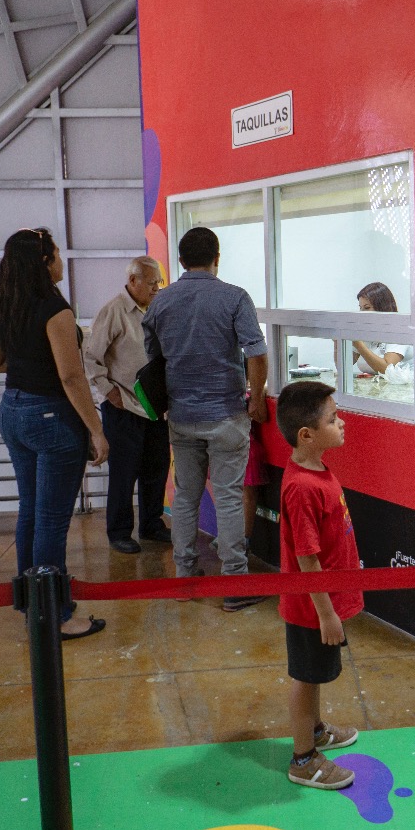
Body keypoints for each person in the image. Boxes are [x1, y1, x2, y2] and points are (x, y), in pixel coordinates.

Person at [0, 228, 109, 641]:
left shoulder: (0, 305)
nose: (61, 262)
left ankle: (31, 605)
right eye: (56, 254)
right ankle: (56, 615)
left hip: (14, 411)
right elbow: (72, 377)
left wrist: (28, 359)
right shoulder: (56, 309)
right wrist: (96, 429)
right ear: (44, 261)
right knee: (52, 522)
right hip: (52, 415)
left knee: (30, 512)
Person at [142, 226, 268, 612]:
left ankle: (185, 576)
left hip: (181, 415)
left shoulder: (160, 303)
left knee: (185, 496)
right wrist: (257, 398)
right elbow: (256, 354)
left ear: (180, 261)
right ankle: (235, 583)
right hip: (227, 413)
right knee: (229, 497)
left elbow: (154, 359)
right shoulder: (234, 297)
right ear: (218, 257)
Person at [276, 381, 363, 790]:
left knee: (314, 674)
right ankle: (303, 758)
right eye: (333, 419)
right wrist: (326, 613)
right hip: (312, 609)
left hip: (322, 604)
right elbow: (306, 559)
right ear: (306, 435)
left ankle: (313, 731)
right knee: (306, 676)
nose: (342, 422)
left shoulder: (315, 470)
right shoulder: (301, 487)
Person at [83, 256, 171, 555]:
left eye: (159, 282)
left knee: (156, 468)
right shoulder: (114, 311)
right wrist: (109, 393)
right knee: (124, 472)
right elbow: (91, 358)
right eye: (151, 282)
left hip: (156, 406)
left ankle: (151, 523)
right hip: (124, 406)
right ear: (133, 281)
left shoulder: (158, 309)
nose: (156, 288)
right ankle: (119, 531)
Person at [350, 282, 412, 377]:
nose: (362, 313)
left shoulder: (398, 331)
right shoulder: (367, 331)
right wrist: (337, 343)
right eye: (360, 308)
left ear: (382, 308)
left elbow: (387, 369)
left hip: (399, 389)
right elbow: (345, 365)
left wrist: (358, 345)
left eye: (367, 308)